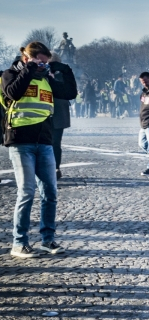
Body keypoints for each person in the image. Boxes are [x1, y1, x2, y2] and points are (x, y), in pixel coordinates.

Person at [1, 42, 77, 258]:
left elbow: (70, 93)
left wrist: (64, 70)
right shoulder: (9, 74)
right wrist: (29, 69)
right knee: (27, 192)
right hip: (20, 141)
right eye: (41, 62)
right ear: (27, 58)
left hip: (44, 142)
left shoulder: (46, 79)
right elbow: (13, 93)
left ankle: (47, 239)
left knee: (50, 193)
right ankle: (19, 243)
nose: (44, 66)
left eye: (46, 62)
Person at [48, 52, 72, 180]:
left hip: (58, 113)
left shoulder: (62, 75)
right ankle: (51, 167)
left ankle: (56, 167)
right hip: (47, 112)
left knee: (55, 142)